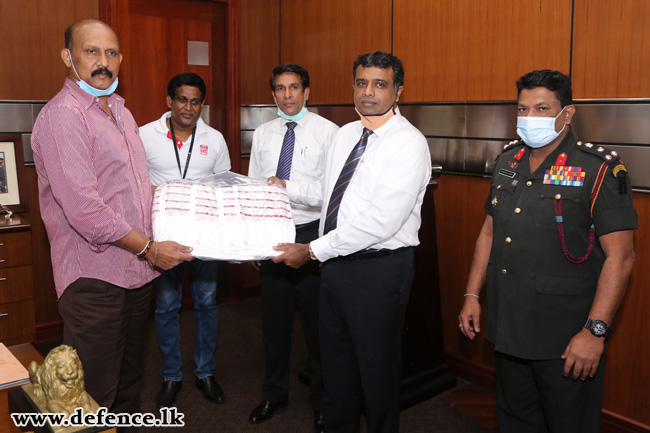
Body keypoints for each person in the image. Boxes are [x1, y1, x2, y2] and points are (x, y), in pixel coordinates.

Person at [31, 19, 193, 421]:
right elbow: (85, 210)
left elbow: (137, 191)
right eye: (91, 52)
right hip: (95, 281)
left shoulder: (120, 111)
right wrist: (151, 248)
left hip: (136, 275)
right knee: (90, 398)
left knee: (127, 385)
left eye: (111, 52)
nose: (103, 62)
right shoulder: (63, 117)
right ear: (68, 57)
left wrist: (185, 207)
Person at [458, 69, 637, 433]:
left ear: (566, 113)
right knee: (516, 421)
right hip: (510, 326)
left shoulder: (598, 169)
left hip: (565, 337)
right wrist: (472, 294)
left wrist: (594, 332)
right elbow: (489, 231)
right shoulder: (508, 161)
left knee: (568, 424)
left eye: (542, 109)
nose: (529, 118)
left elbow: (621, 257)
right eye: (523, 109)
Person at [271, 52, 431, 433]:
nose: (368, 92)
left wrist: (312, 250)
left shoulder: (409, 143)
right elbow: (330, 195)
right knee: (335, 366)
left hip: (379, 270)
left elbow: (381, 220)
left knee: (376, 373)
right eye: (361, 83)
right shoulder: (345, 134)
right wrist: (282, 188)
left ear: (399, 91)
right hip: (336, 266)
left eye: (380, 84)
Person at [247, 63, 338, 433]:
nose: (287, 95)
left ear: (307, 92)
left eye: (294, 88)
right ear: (273, 94)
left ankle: (322, 402)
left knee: (318, 327)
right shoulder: (263, 133)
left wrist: (287, 186)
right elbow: (255, 187)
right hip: (272, 234)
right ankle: (275, 393)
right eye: (280, 89)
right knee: (275, 323)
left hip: (311, 237)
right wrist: (254, 242)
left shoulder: (329, 132)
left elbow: (330, 193)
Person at [139, 73, 231, 409]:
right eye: (181, 99)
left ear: (202, 104)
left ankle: (205, 372)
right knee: (166, 306)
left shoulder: (215, 139)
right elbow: (133, 181)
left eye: (195, 101)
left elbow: (224, 186)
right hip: (163, 240)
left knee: (207, 303)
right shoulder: (144, 135)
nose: (188, 107)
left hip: (205, 238)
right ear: (169, 101)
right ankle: (171, 376)